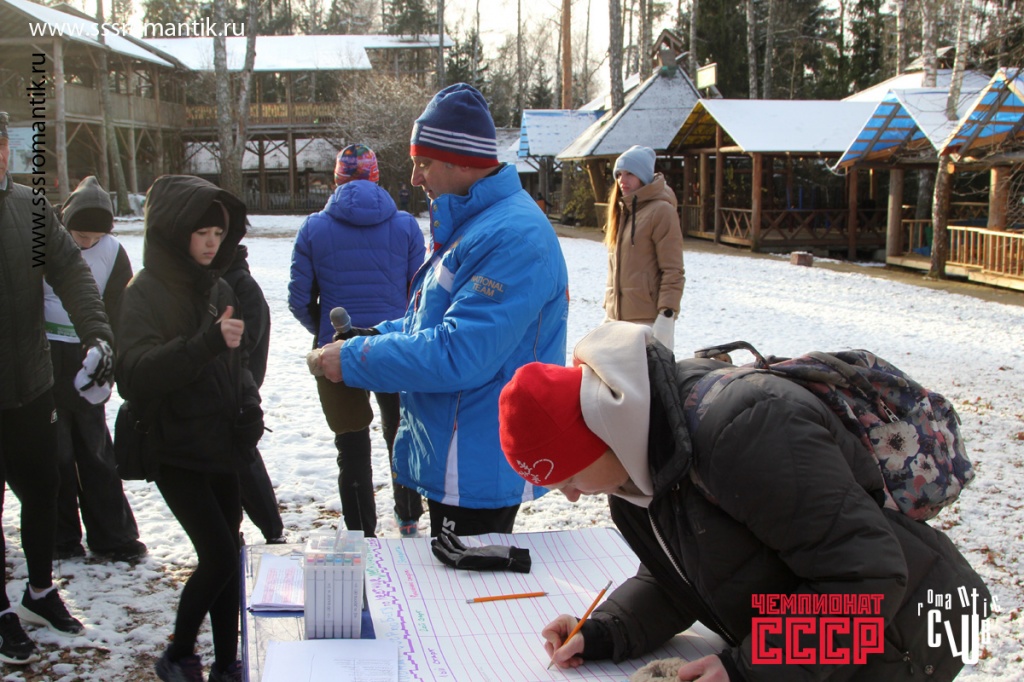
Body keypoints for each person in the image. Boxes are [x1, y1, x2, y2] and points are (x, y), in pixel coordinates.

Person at [498, 322, 990, 682]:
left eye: (569, 476)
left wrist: (746, 671)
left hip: (898, 642)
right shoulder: (634, 468)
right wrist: (607, 630)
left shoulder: (749, 429)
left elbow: (867, 579)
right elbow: (682, 576)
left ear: (599, 438)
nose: (571, 494)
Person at [313, 83, 570, 537]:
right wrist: (374, 337)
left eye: (423, 163)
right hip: (459, 447)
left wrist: (354, 360)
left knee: (466, 582)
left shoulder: (513, 236)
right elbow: (431, 322)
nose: (415, 178)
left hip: (477, 460)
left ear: (461, 161)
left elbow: (460, 353)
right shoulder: (477, 223)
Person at [116, 175, 262, 682]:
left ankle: (225, 663)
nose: (211, 243)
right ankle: (177, 655)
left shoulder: (219, 287)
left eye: (218, 234)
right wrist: (204, 343)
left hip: (221, 444)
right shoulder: (144, 291)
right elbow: (135, 375)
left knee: (229, 555)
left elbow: (238, 362)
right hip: (174, 446)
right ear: (175, 232)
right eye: (201, 233)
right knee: (218, 556)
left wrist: (250, 408)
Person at [0, 111, 109, 665]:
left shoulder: (31, 207)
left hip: (32, 382)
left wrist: (97, 333)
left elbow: (70, 271)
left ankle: (39, 592)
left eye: (0, 144)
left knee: (44, 488)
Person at [290, 144, 426, 538]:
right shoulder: (405, 226)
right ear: (376, 177)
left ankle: (362, 534)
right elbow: (420, 293)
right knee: (401, 433)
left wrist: (323, 331)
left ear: (337, 179)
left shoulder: (314, 228)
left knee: (350, 444)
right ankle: (408, 515)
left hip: (337, 348)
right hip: (394, 345)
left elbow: (299, 298)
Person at [48, 176, 146, 562]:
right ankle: (59, 537)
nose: (87, 243)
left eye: (95, 237)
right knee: (54, 450)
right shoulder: (44, 238)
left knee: (95, 448)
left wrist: (111, 358)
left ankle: (113, 537)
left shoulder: (113, 252)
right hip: (45, 353)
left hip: (90, 353)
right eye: (80, 236)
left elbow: (120, 309)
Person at [222, 244, 285, 544]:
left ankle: (272, 530)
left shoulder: (240, 285)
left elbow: (246, 346)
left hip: (236, 390)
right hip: (216, 387)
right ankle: (231, 535)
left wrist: (244, 390)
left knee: (242, 459)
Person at [604, 145, 684, 350]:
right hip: (618, 321)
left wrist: (666, 315)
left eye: (630, 173)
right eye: (619, 174)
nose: (622, 180)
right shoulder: (622, 213)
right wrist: (609, 311)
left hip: (648, 321)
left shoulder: (661, 211)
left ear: (643, 176)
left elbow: (673, 269)